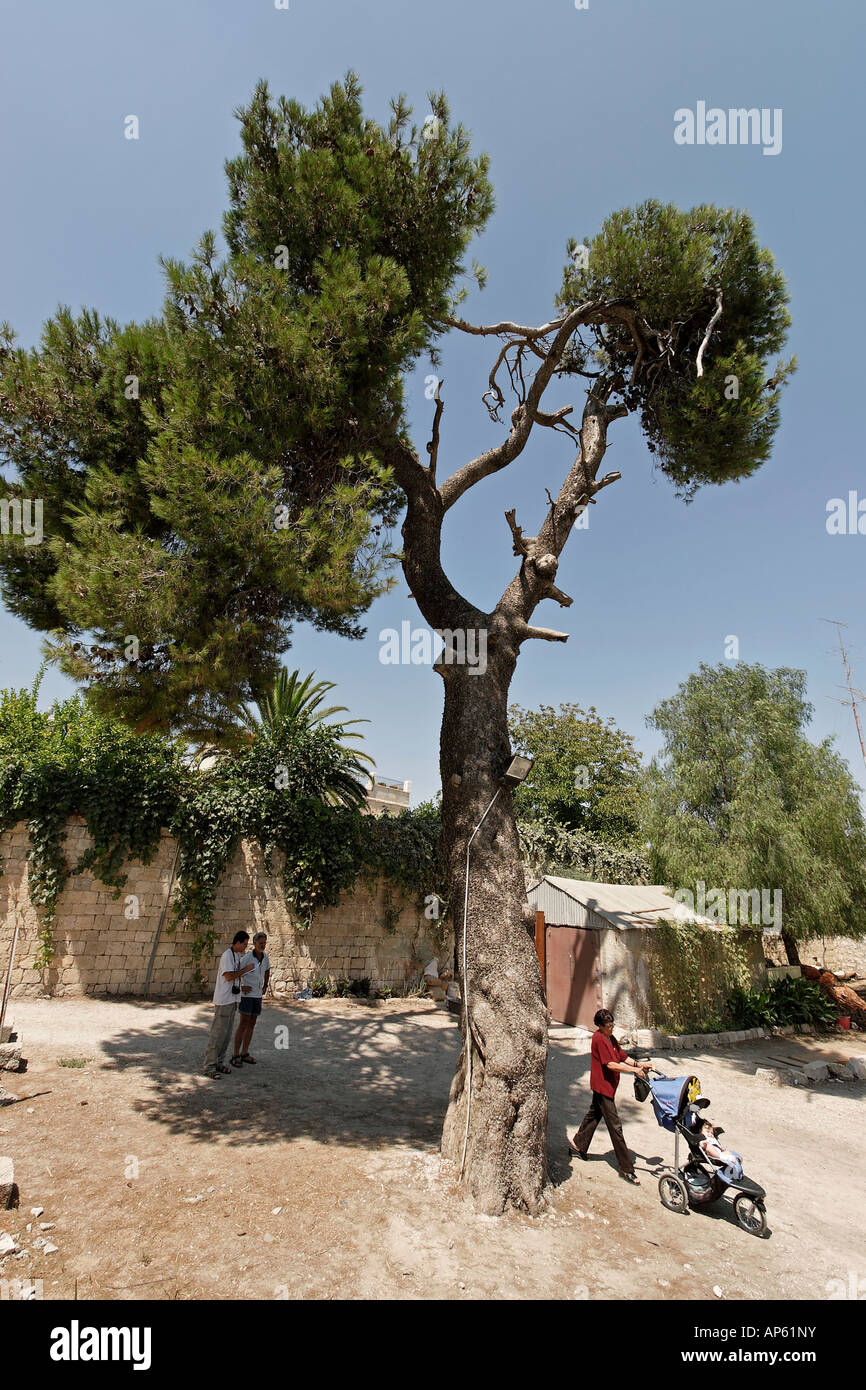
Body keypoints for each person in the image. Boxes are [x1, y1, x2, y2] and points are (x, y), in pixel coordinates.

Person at [569, 1008, 651, 1184]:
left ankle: (578, 1145)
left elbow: (623, 1057)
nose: (611, 1028)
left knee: (594, 1115)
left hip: (608, 1087)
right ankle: (627, 1168)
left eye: (612, 1025)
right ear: (600, 1026)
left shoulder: (611, 1038)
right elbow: (611, 1065)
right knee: (615, 1127)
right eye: (608, 1026)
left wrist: (640, 1065)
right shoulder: (599, 1039)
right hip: (602, 1088)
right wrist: (633, 1070)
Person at [202, 931, 256, 1079]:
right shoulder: (227, 955)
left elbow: (235, 976)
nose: (245, 947)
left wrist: (241, 987)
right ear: (237, 942)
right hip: (224, 1000)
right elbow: (228, 976)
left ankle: (219, 1062)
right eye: (244, 944)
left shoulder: (236, 956)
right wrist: (246, 969)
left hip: (232, 1000)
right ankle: (209, 1066)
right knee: (217, 1034)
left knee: (226, 1035)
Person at [231, 931, 270, 1067]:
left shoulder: (265, 957)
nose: (263, 945)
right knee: (243, 1024)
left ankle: (245, 1052)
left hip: (257, 995)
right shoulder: (247, 958)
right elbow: (236, 972)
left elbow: (267, 970)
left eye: (264, 943)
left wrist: (265, 985)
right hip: (247, 995)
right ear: (254, 943)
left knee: (252, 1024)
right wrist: (241, 987)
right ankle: (235, 1054)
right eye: (260, 943)